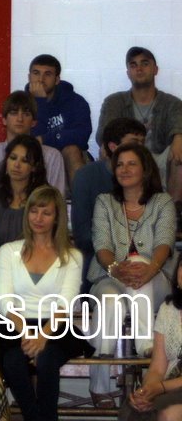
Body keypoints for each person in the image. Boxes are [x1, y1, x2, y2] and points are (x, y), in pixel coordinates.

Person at [87, 143, 176, 407]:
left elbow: (165, 242)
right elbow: (101, 244)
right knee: (110, 302)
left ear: (145, 168)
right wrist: (114, 268)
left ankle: (144, 340)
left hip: (155, 278)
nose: (124, 169)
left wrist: (150, 268)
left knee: (138, 261)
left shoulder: (162, 201)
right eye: (120, 164)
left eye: (131, 163)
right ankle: (100, 379)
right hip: (110, 276)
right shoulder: (105, 202)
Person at [0, 185, 94, 421]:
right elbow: (4, 300)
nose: (38, 218)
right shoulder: (8, 251)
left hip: (55, 326)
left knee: (48, 359)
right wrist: (28, 334)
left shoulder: (72, 256)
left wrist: (43, 335)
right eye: (34, 211)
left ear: (57, 217)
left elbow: (66, 302)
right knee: (12, 360)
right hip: (16, 324)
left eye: (46, 212)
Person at [0, 91, 65, 236]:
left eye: (26, 113)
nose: (20, 118)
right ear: (4, 119)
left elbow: (57, 206)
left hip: (37, 235)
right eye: (13, 112)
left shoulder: (52, 157)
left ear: (34, 122)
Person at [96, 47, 182, 202]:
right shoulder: (114, 101)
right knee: (105, 150)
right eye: (133, 65)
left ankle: (173, 209)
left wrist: (179, 138)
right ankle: (115, 206)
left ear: (155, 69)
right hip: (125, 159)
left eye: (145, 63)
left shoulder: (172, 103)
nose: (139, 69)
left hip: (160, 161)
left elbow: (178, 126)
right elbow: (104, 134)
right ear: (128, 73)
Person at [71, 118, 146, 293]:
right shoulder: (86, 176)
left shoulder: (148, 175)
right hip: (98, 261)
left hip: (142, 261)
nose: (141, 149)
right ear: (113, 147)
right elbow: (83, 235)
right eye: (135, 143)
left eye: (143, 143)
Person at [121, 256, 182, 420]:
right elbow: (157, 368)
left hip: (171, 388)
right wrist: (145, 392)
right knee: (132, 410)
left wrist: (160, 388)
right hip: (168, 385)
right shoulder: (168, 309)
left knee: (168, 414)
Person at [26, 54, 92, 185]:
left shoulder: (75, 101)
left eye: (47, 74)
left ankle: (80, 198)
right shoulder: (22, 103)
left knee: (71, 150)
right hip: (37, 157)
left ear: (57, 80)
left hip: (71, 156)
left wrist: (45, 139)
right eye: (36, 73)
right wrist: (40, 101)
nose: (41, 79)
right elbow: (33, 140)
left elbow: (82, 136)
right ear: (29, 77)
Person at [0, 134, 48, 257]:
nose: (17, 164)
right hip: (0, 267)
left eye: (24, 160)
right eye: (13, 158)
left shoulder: (46, 201)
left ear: (34, 167)